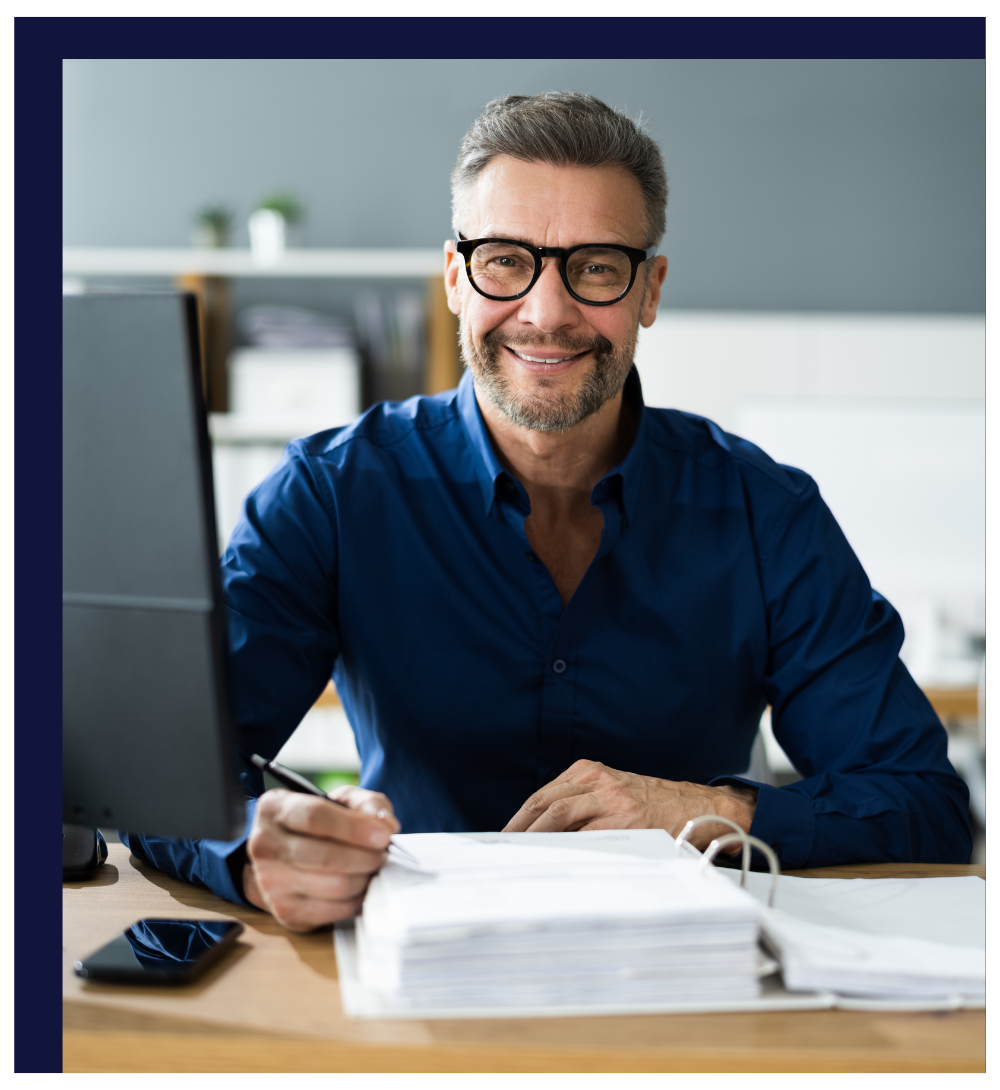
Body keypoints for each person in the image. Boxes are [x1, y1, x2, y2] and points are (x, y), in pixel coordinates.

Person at [124, 92, 971, 931]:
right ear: (456, 278)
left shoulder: (765, 510)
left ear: (649, 290)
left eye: (596, 266)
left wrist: (706, 811)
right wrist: (253, 849)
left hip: (689, 978)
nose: (547, 311)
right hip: (410, 972)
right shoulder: (330, 492)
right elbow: (163, 775)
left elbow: (922, 805)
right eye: (504, 260)